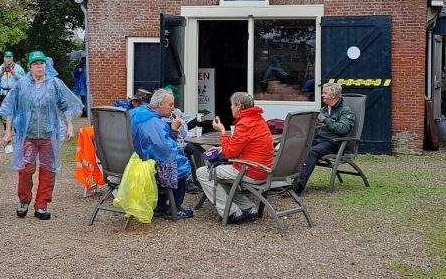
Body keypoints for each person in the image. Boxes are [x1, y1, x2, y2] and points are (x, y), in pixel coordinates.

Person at [0, 50, 82, 220]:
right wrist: (8, 131)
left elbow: (65, 106)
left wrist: (69, 125)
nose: (39, 66)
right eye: (36, 64)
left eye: (42, 63)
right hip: (28, 135)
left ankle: (41, 205)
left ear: (46, 65)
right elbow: (9, 107)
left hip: (48, 135)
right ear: (30, 67)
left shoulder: (54, 84)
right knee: (25, 170)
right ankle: (24, 201)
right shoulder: (21, 84)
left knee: (48, 170)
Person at [200, 92, 274, 224]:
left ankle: (231, 212)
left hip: (250, 170)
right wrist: (221, 148)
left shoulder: (244, 123)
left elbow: (230, 154)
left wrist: (222, 131)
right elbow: (243, 146)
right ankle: (248, 207)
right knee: (222, 176)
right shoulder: (258, 119)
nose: (231, 108)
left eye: (232, 105)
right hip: (262, 168)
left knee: (203, 173)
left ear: (239, 106)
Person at [128, 88, 193, 219]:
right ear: (160, 104)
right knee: (181, 163)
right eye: (170, 105)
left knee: (174, 159)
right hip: (149, 165)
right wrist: (174, 131)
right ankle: (175, 207)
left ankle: (160, 205)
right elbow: (166, 149)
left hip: (134, 161)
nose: (173, 108)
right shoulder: (153, 122)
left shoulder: (139, 113)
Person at [292, 82, 356, 194]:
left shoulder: (346, 111)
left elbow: (343, 128)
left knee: (312, 152)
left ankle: (297, 187)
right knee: (296, 146)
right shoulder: (325, 109)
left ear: (334, 95)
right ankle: (286, 182)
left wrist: (325, 120)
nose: (322, 95)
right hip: (319, 140)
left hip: (334, 143)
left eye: (325, 93)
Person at [0, 51, 25, 116]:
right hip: (3, 94)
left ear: (12, 58)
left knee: (16, 113)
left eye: (10, 57)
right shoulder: (0, 69)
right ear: (4, 58)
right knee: (5, 113)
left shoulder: (18, 68)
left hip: (15, 93)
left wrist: (15, 74)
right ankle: (6, 126)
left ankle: (15, 125)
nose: (8, 59)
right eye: (7, 57)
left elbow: (24, 81)